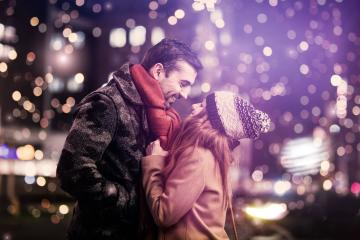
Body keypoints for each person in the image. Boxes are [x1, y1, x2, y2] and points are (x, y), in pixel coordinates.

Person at [56, 38, 202, 240]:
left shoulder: (160, 115)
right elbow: (72, 171)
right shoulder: (106, 102)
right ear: (158, 71)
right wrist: (133, 203)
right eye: (182, 84)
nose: (185, 94)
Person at [142, 91, 271, 240]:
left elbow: (163, 214)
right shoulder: (217, 157)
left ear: (209, 120)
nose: (194, 106)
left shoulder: (198, 156)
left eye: (202, 105)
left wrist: (154, 162)